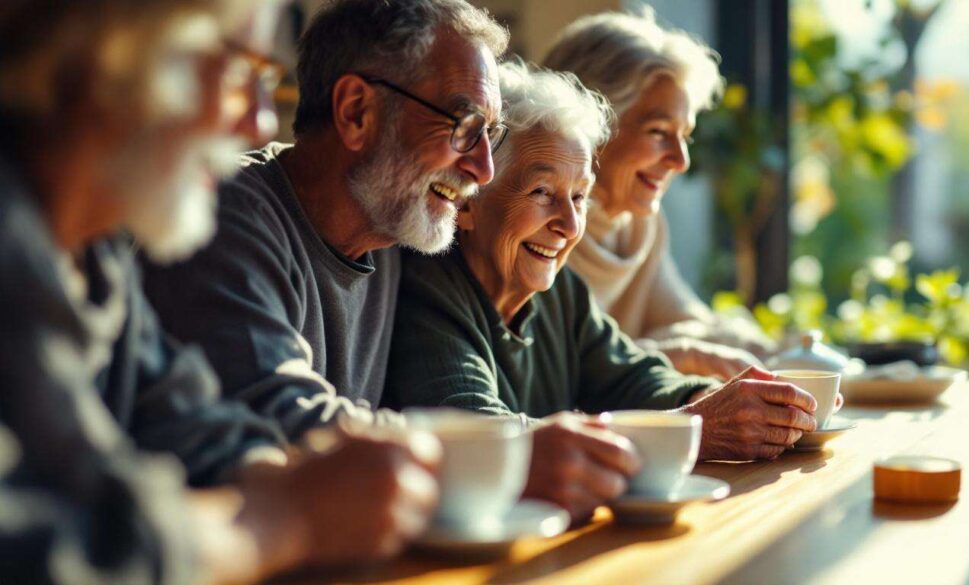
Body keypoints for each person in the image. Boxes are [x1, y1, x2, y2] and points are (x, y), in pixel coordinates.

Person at [0, 1, 440, 583]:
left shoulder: (96, 256)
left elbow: (190, 426)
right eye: (242, 74)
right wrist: (282, 517)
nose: (260, 123)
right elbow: (31, 551)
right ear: (112, 59)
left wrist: (291, 481)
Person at [386, 61, 820, 522]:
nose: (570, 226)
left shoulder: (560, 293)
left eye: (578, 198)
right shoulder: (426, 288)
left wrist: (721, 406)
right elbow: (479, 438)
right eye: (540, 192)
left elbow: (632, 377)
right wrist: (700, 429)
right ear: (468, 202)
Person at [143, 0, 509, 441]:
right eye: (465, 125)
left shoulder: (395, 227)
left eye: (490, 133)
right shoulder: (226, 215)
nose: (484, 169)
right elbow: (279, 420)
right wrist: (505, 448)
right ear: (357, 112)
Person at [541, 9, 779, 380]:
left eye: (684, 135)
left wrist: (787, 350)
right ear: (587, 125)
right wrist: (670, 351)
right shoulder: (537, 225)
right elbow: (551, 375)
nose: (680, 160)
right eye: (657, 131)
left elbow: (692, 322)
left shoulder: (638, 225)